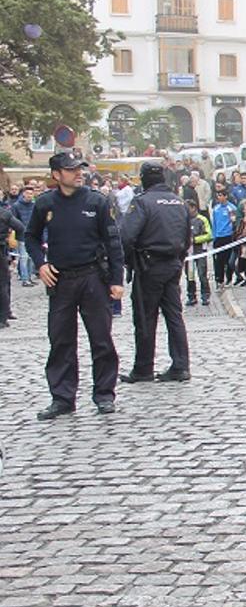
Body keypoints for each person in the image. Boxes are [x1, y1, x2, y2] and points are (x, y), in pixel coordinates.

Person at [24, 152, 125, 420]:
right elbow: (31, 236)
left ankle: (104, 394)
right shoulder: (45, 203)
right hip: (61, 280)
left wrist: (117, 280)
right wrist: (40, 264)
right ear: (57, 175)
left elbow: (113, 242)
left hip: (93, 278)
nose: (78, 173)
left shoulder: (97, 201)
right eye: (71, 170)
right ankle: (62, 398)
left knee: (101, 339)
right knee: (61, 341)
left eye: (79, 168)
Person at [119, 162, 192, 383]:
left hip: (149, 264)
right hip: (172, 264)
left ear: (143, 179)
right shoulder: (178, 202)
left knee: (145, 317)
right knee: (174, 316)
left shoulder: (142, 202)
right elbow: (187, 237)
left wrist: (127, 261)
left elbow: (127, 236)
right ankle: (180, 365)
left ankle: (143, 368)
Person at [0, 201, 24, 327]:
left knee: (3, 282)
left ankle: (4, 315)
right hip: (1, 250)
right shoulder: (4, 214)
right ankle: (4, 315)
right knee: (3, 283)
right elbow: (20, 228)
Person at [185, 199, 212, 306]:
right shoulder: (184, 220)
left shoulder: (202, 219)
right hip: (188, 252)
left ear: (193, 208)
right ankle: (191, 296)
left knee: (202, 273)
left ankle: (205, 295)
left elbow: (209, 235)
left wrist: (195, 240)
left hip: (200, 250)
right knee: (189, 275)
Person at [210, 187, 238, 288]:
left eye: (221, 195)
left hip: (228, 236)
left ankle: (229, 278)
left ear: (226, 196)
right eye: (218, 196)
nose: (219, 197)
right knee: (218, 260)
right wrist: (214, 236)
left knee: (228, 259)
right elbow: (214, 223)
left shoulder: (232, 208)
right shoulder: (216, 209)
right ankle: (219, 280)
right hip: (218, 237)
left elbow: (234, 222)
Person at [11, 185, 35, 287]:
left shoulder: (34, 205)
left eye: (31, 193)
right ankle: (25, 279)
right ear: (23, 194)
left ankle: (29, 276)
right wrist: (21, 229)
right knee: (24, 257)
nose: (30, 195)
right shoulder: (16, 206)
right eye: (28, 193)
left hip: (33, 234)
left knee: (31, 258)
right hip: (22, 235)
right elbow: (14, 220)